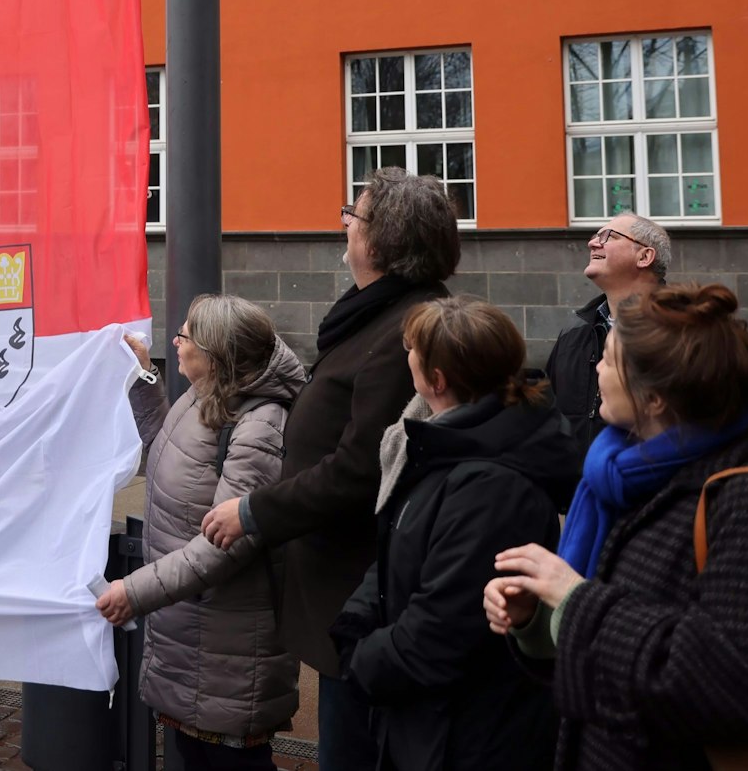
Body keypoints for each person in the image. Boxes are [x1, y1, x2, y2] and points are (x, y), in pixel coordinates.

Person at [484, 284, 748, 768]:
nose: (596, 368)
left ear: (652, 398)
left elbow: (747, 689)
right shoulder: (622, 475)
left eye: (609, 360)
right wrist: (536, 619)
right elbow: (604, 663)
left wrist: (574, 599)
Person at [200, 167, 459, 768]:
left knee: (354, 748)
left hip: (361, 592)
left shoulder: (409, 326)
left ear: (384, 240)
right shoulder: (377, 312)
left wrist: (254, 512)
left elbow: (360, 468)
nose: (344, 223)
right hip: (340, 583)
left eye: (354, 214)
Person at [332, 297, 578, 770]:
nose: (406, 357)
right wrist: (354, 628)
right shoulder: (445, 446)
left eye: (412, 350)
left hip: (464, 738)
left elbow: (443, 628)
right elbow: (395, 553)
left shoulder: (493, 485)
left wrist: (362, 662)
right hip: (429, 727)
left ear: (437, 380)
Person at [94, 295, 305, 770]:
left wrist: (133, 592)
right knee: (196, 755)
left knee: (229, 762)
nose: (175, 342)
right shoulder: (205, 394)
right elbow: (170, 451)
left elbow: (221, 549)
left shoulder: (260, 427)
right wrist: (143, 378)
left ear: (214, 354)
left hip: (227, 641)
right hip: (191, 626)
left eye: (185, 335)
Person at [545, 213, 670, 448]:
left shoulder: (680, 333)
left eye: (608, 236)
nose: (592, 243)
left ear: (644, 256)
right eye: (595, 236)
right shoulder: (574, 333)